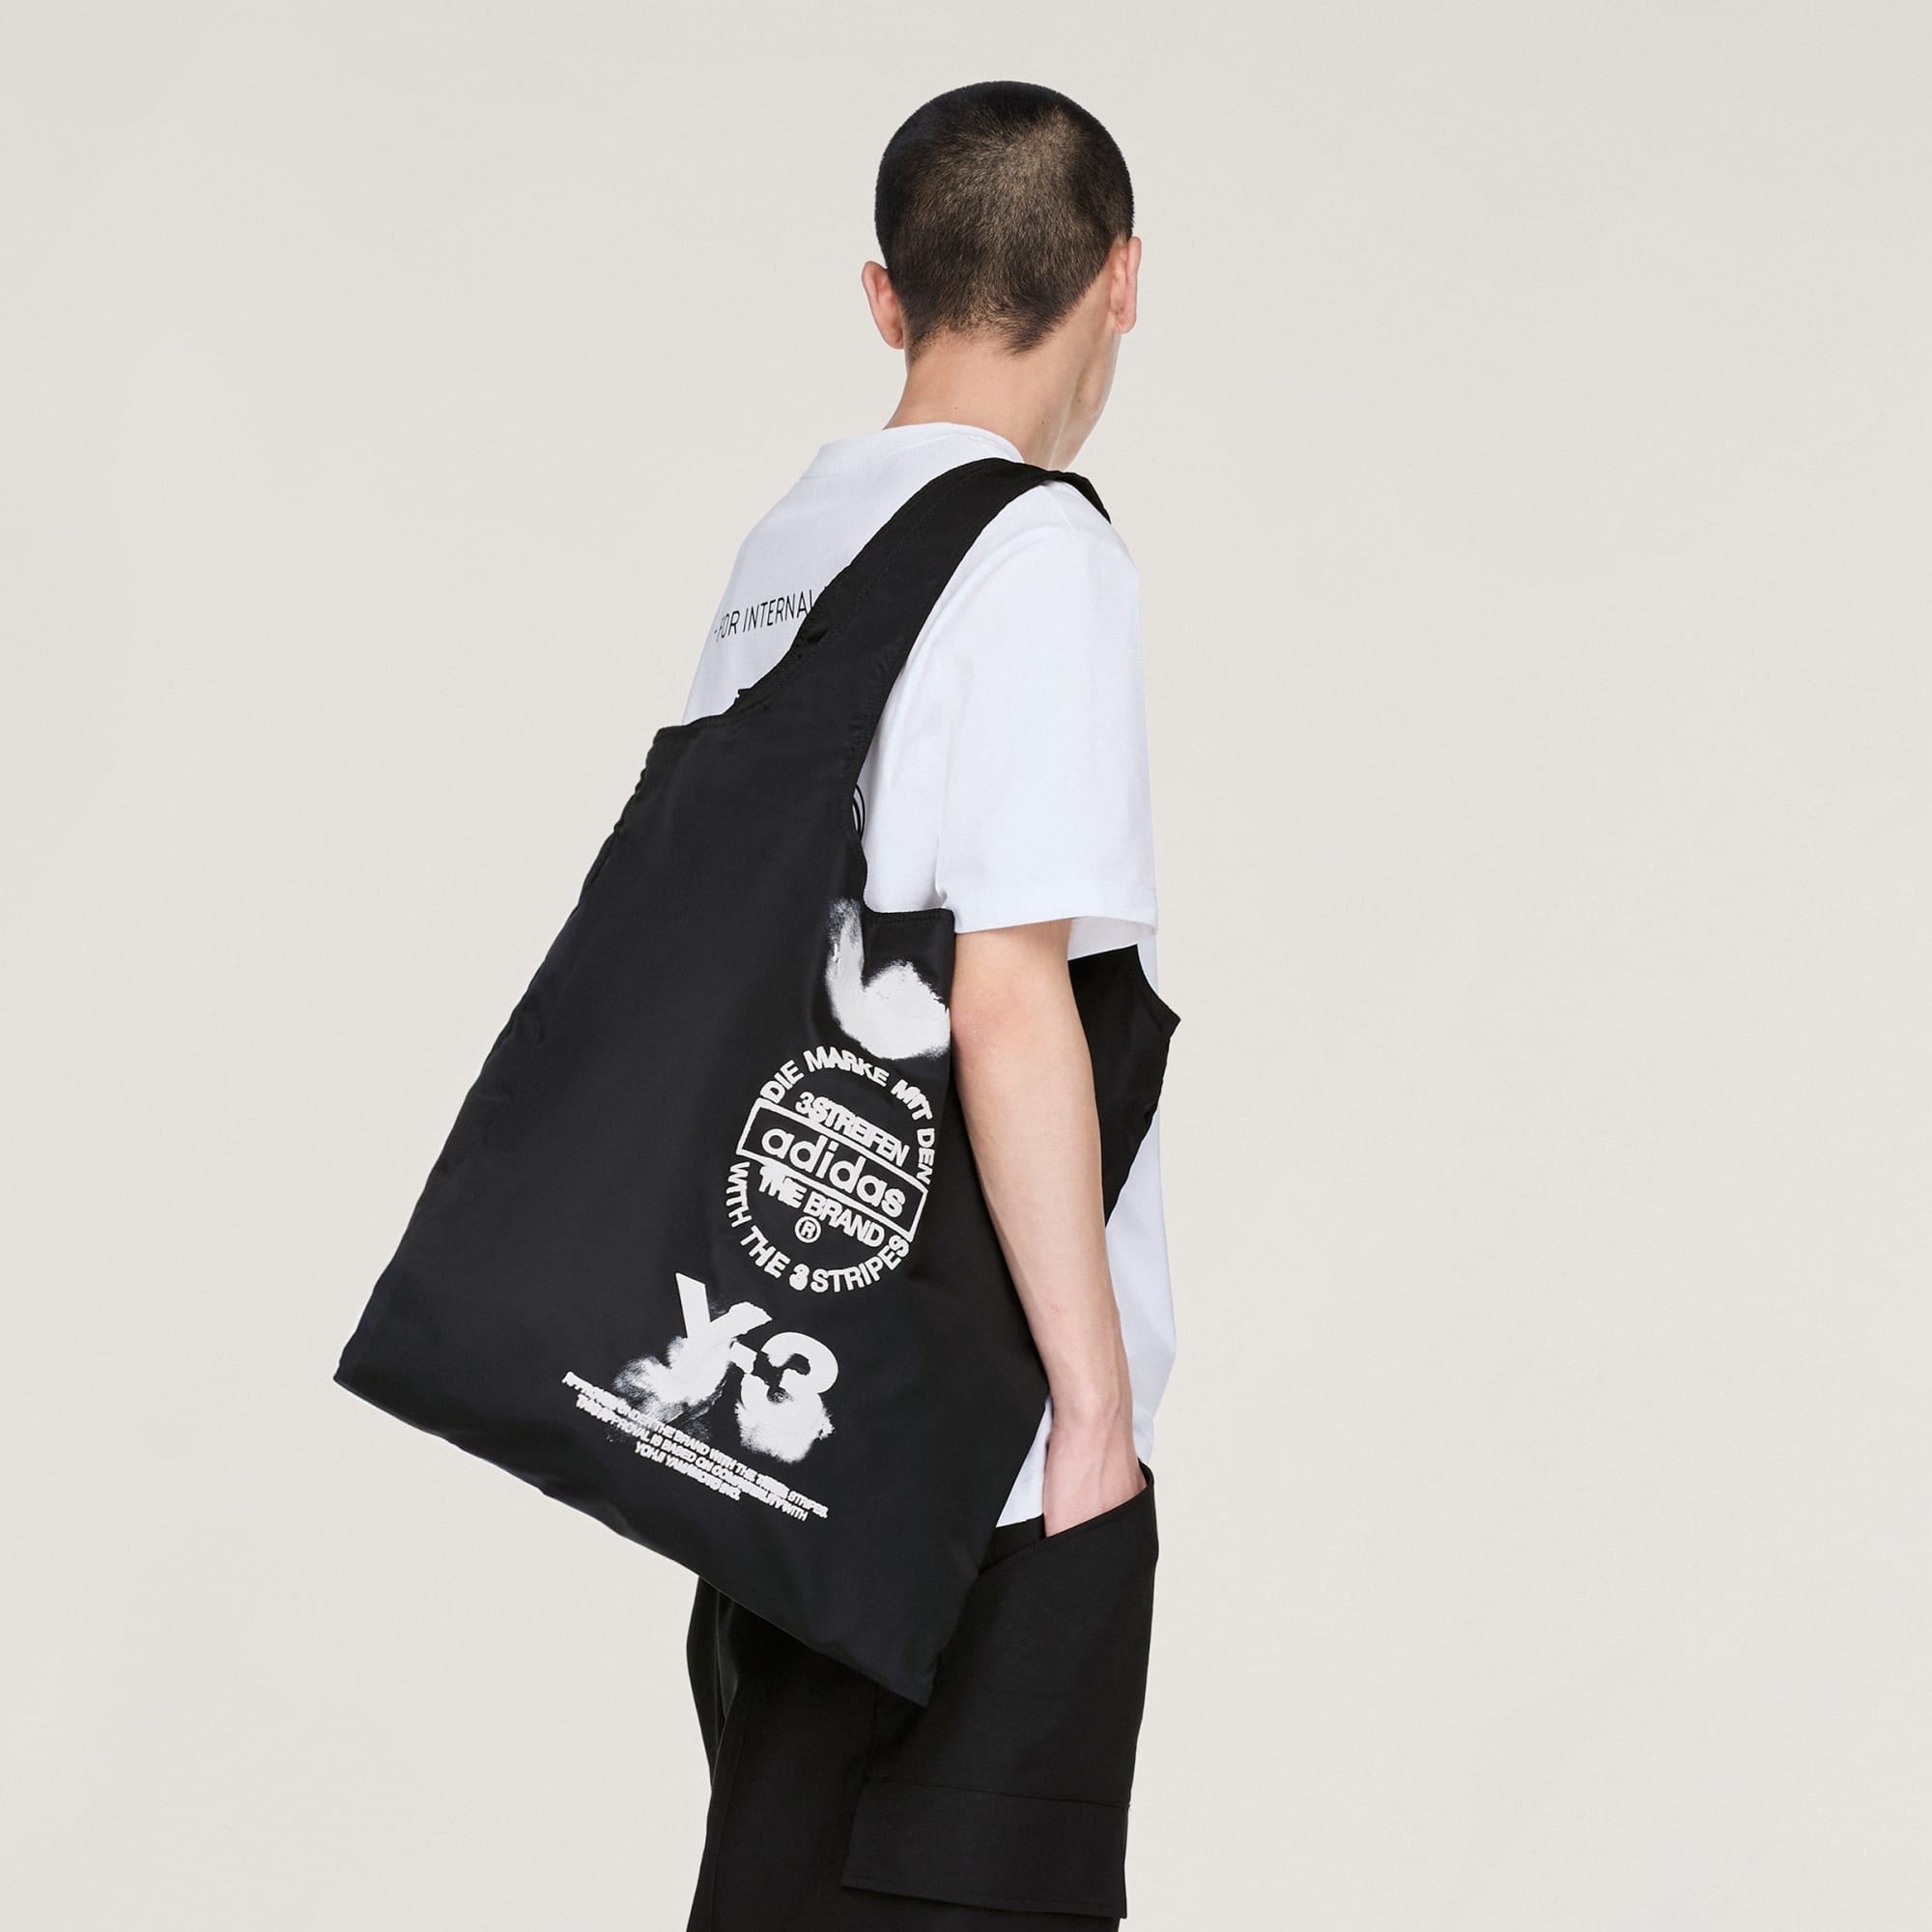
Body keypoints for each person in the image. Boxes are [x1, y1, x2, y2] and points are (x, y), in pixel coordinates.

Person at [678, 81, 1175, 1930]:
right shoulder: (1037, 555)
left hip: (786, 1376)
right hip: (976, 1442)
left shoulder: (791, 548)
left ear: (886, 296)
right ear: (1121, 279)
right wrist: (1094, 1419)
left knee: (789, 1878)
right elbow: (1007, 997)